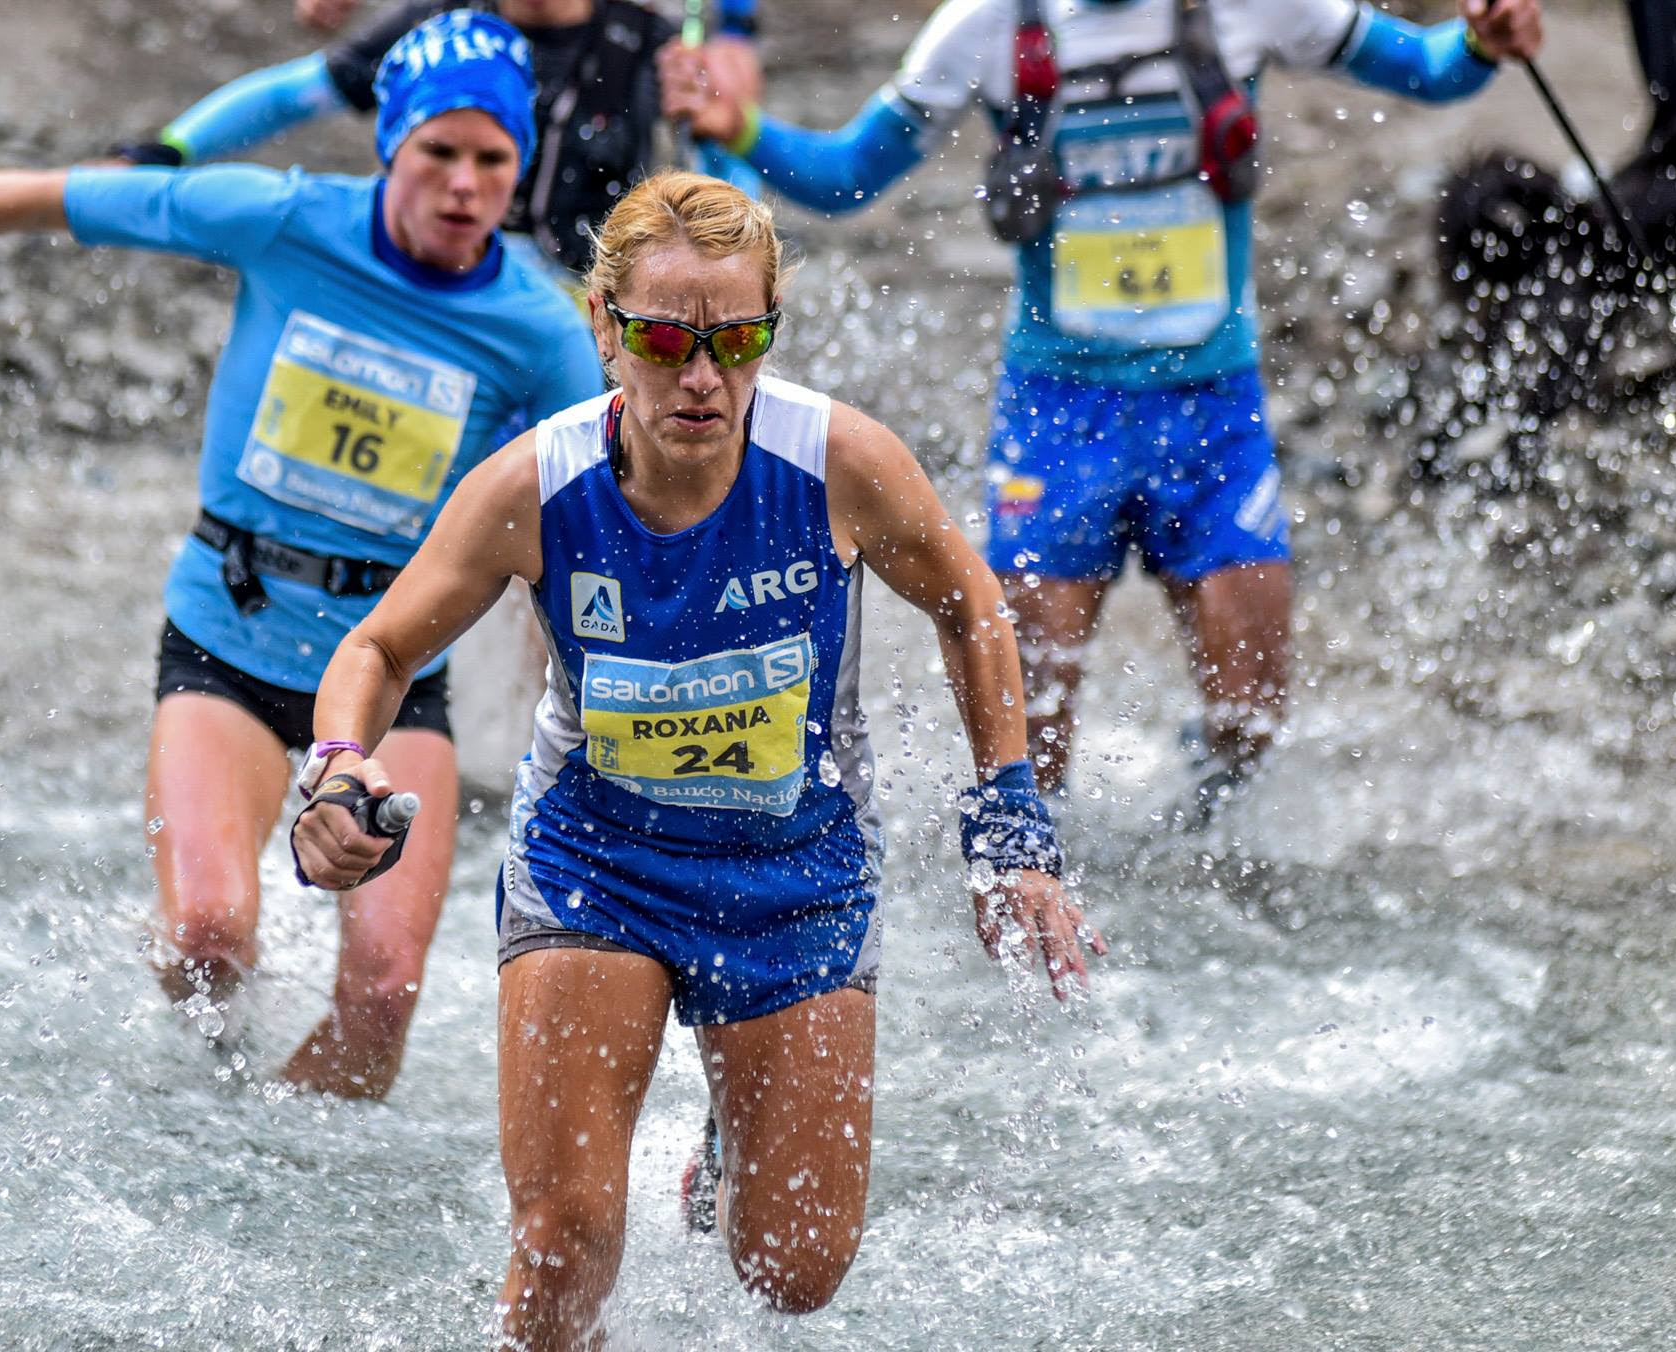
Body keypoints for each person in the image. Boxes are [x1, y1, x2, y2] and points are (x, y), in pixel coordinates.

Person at [0, 10, 605, 1098]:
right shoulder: (281, 218)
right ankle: (208, 1102)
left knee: (385, 990)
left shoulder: (538, 329)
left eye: (492, 159)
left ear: (520, 165)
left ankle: (278, 1163)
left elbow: (596, 514)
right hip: (231, 637)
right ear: (388, 144)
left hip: (394, 674)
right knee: (209, 940)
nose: (463, 184)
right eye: (438, 150)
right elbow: (54, 197)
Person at [286, 171, 1105, 1348]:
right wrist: (334, 765)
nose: (704, 377)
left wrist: (1010, 820)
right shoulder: (534, 485)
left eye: (738, 340)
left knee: (794, 1271)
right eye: (667, 340)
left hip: (796, 875)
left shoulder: (838, 462)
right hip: (595, 864)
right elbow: (378, 645)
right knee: (563, 1245)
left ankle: (726, 1139)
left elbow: (969, 602)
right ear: (604, 329)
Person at [661, 0, 1545, 814]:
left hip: (1213, 413)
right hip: (1058, 420)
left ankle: (1197, 853)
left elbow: (1426, 69)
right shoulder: (986, 26)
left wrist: (1482, 39)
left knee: (1250, 727)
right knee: (1028, 756)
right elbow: (849, 177)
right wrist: (738, 127)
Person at [116, 0, 764, 282]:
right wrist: (168, 151)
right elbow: (295, 95)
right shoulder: (439, 20)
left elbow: (731, 182)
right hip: (436, 277)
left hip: (577, 300)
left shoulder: (658, 50)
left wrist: (733, 250)